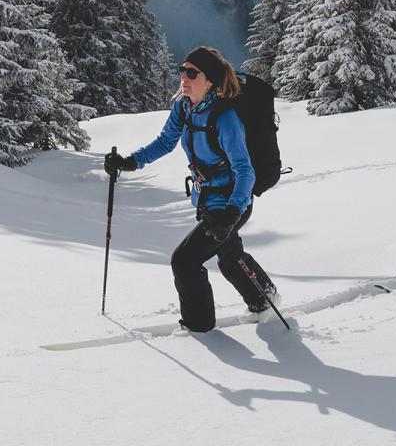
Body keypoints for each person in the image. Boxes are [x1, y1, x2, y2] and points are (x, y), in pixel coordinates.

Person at [104, 46, 277, 332]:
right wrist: (129, 162)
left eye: (192, 72)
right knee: (229, 256)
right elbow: (164, 142)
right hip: (208, 201)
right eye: (182, 70)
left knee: (184, 262)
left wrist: (232, 214)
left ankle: (199, 327)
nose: (183, 77)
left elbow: (245, 170)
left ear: (209, 80)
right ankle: (263, 298)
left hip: (232, 202)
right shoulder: (184, 107)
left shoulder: (225, 119)